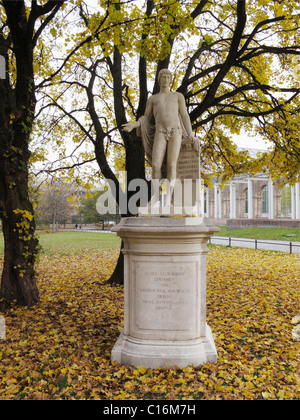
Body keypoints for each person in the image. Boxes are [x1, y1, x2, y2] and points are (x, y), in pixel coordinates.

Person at [122, 68, 197, 207]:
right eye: (163, 77)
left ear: (171, 80)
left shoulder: (177, 96)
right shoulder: (153, 99)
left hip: (176, 131)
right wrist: (134, 125)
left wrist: (191, 135)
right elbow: (146, 118)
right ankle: (156, 197)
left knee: (171, 164)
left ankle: (167, 198)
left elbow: (185, 115)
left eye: (168, 77)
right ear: (159, 80)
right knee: (155, 165)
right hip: (160, 132)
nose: (165, 79)